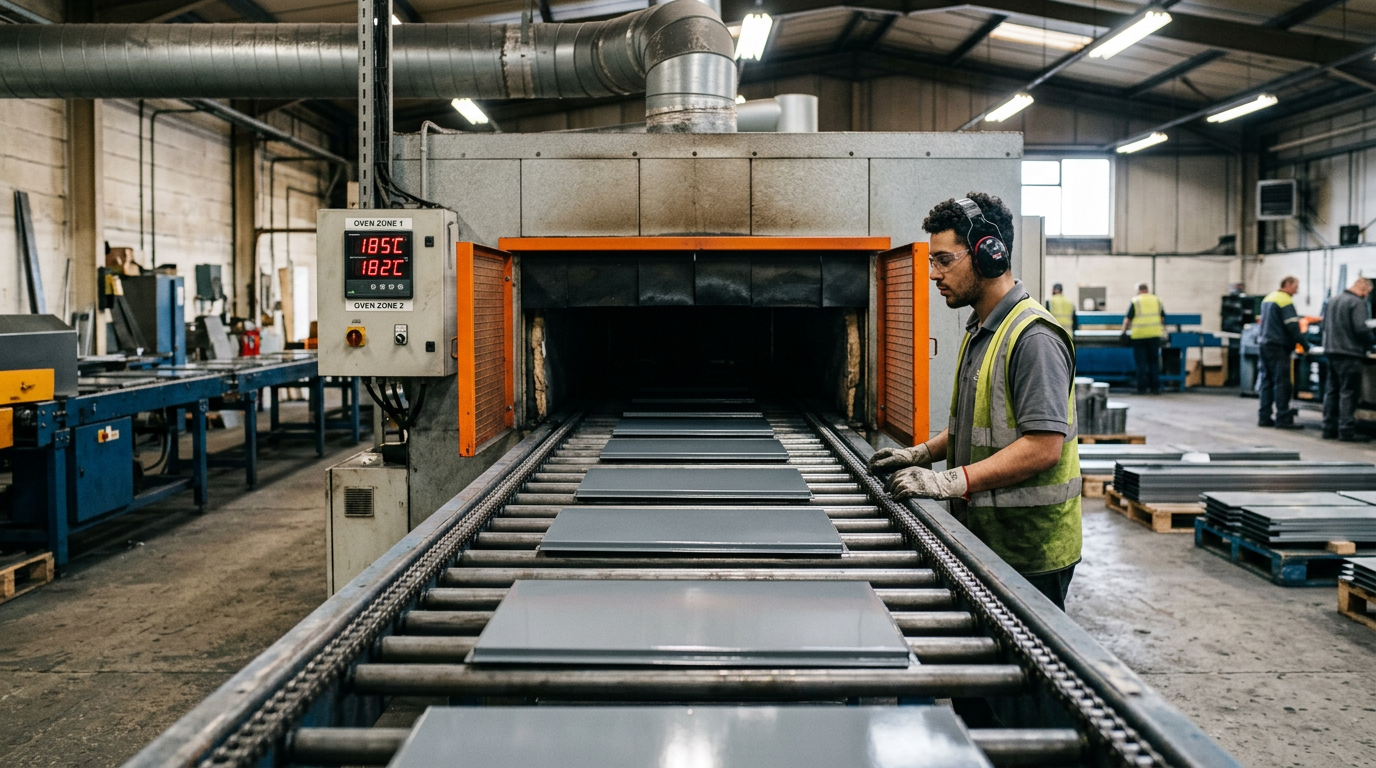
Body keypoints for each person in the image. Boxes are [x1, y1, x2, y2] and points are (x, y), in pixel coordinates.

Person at [866, 193, 1080, 610]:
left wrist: (946, 482)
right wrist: (921, 454)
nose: (932, 274)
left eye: (944, 260)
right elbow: (974, 423)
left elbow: (1043, 448)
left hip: (1029, 550)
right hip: (986, 538)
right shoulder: (981, 329)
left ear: (989, 254)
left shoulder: (1033, 337)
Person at [1321, 276, 1375, 441]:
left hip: (1331, 351)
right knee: (1348, 392)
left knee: (1332, 391)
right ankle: (1346, 431)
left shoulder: (1333, 300)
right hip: (1349, 354)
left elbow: (1324, 325)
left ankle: (1328, 429)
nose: (1367, 296)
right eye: (1368, 293)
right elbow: (1361, 329)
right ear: (1364, 289)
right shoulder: (1357, 303)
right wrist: (1372, 342)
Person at [1256, 276, 1310, 429]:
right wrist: (1305, 345)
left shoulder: (1268, 298)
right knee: (1282, 383)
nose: (1297, 290)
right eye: (1295, 286)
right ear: (1287, 284)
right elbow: (1292, 327)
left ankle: (1264, 417)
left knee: (1266, 381)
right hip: (1278, 347)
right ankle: (1283, 418)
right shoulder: (1285, 300)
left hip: (1264, 344)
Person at [1121, 282, 1163, 394]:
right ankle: (1155, 388)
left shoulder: (1136, 300)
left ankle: (1142, 388)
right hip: (1154, 335)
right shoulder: (1157, 300)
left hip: (1139, 336)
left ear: (1138, 290)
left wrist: (1123, 332)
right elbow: (1162, 318)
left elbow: (1128, 319)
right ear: (1147, 289)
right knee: (1154, 362)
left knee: (1141, 363)